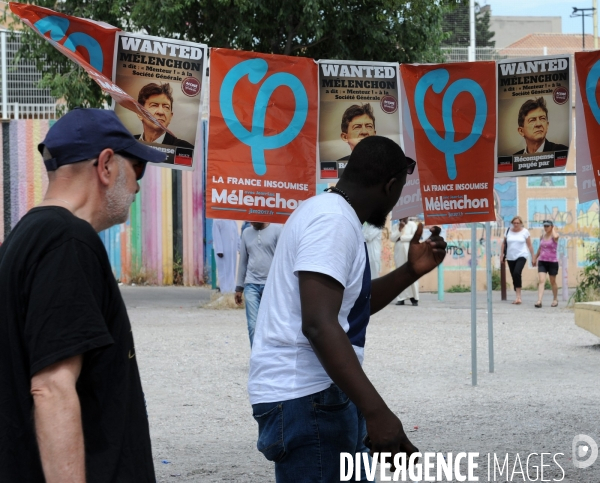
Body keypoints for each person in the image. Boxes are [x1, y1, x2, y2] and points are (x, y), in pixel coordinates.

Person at [248, 136, 446, 482]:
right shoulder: (333, 223)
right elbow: (319, 324)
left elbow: (350, 307)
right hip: (307, 399)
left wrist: (410, 271)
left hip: (322, 392)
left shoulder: (328, 213)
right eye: (400, 190)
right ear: (390, 185)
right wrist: (377, 411)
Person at [0, 108, 166, 482]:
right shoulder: (67, 242)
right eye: (137, 168)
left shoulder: (26, 237)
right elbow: (52, 388)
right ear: (106, 165)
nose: (138, 185)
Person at [235, 222, 283, 346]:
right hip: (251, 284)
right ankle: (257, 360)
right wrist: (239, 287)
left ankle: (269, 358)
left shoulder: (277, 230)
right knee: (253, 325)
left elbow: (283, 259)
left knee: (271, 325)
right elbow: (243, 261)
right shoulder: (246, 233)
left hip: (271, 285)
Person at [135, 82, 194, 148]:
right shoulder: (126, 143)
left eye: (166, 107)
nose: (161, 112)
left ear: (170, 117)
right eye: (154, 105)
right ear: (140, 113)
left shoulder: (186, 149)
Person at [501, 215, 536, 305]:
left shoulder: (525, 232)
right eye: (514, 223)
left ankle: (518, 297)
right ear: (512, 223)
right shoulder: (508, 231)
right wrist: (501, 255)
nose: (516, 225)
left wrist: (533, 256)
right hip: (510, 256)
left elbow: (529, 245)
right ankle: (517, 292)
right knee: (514, 276)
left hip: (522, 255)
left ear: (521, 223)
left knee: (517, 272)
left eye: (518, 223)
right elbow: (504, 244)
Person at [390, 217, 419, 306]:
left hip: (410, 251)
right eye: (400, 218)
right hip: (399, 252)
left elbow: (414, 236)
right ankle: (401, 298)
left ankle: (414, 298)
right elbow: (392, 238)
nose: (401, 219)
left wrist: (401, 238)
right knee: (400, 274)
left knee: (412, 273)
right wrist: (400, 229)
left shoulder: (412, 225)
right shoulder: (396, 226)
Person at [532, 220, 560, 308]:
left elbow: (555, 236)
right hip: (542, 261)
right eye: (544, 226)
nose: (546, 228)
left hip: (553, 262)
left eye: (548, 226)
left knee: (552, 281)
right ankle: (539, 301)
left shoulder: (555, 236)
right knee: (541, 280)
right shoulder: (542, 236)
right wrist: (535, 258)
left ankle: (555, 299)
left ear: (551, 226)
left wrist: (553, 229)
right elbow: (540, 249)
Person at [213, 218, 239, 293]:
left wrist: (240, 247)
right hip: (222, 251)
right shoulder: (217, 220)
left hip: (232, 251)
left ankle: (231, 290)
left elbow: (237, 236)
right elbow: (216, 235)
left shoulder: (233, 221)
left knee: (231, 270)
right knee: (223, 271)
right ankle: (225, 291)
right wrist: (219, 249)